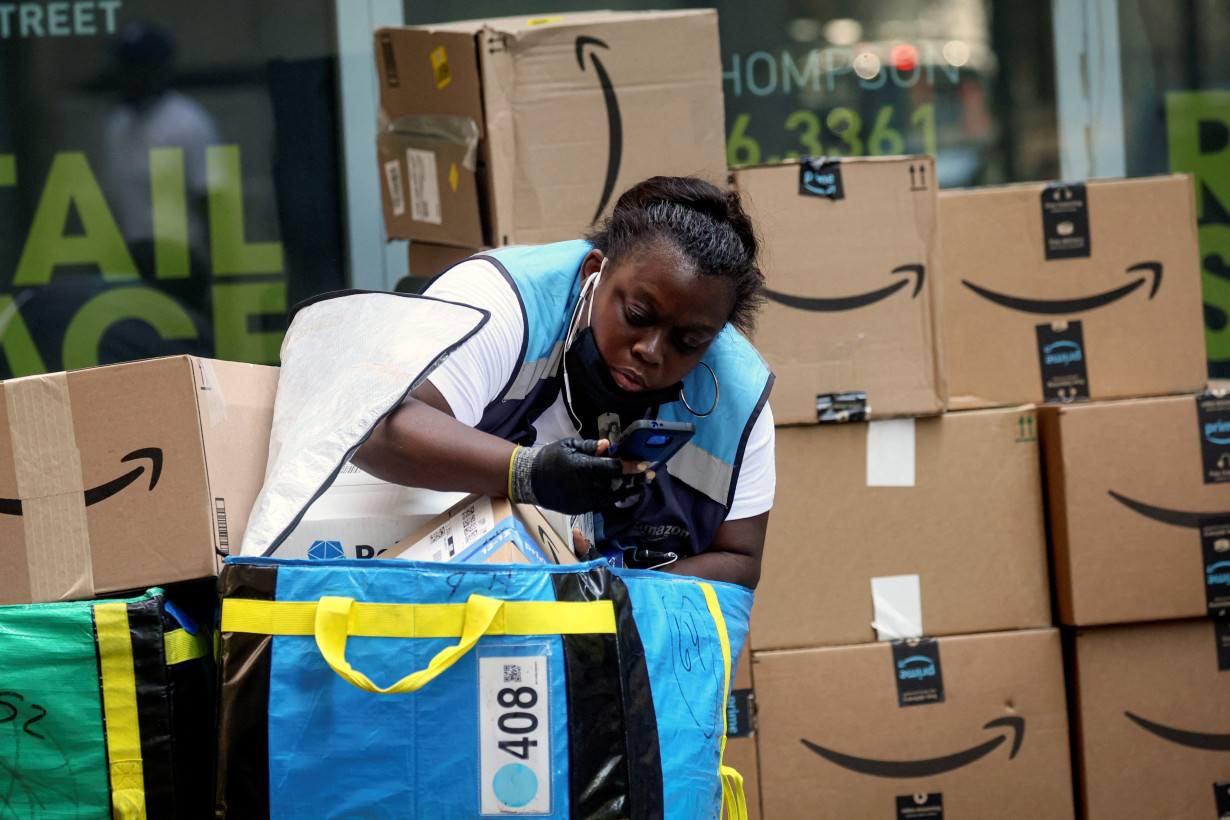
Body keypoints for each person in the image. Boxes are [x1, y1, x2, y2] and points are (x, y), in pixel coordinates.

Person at [352, 176, 775, 588]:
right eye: (638, 316)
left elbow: (740, 559)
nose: (651, 350)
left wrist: (607, 592)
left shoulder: (739, 392)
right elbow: (372, 428)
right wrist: (527, 472)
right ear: (595, 271)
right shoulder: (499, 302)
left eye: (688, 341)